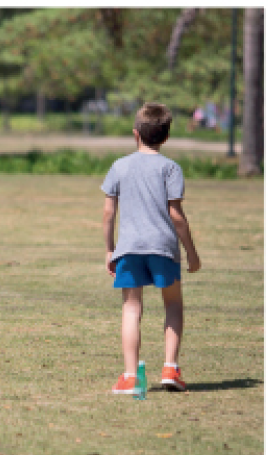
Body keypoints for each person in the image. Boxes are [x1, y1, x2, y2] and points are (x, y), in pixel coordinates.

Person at [101, 102, 201, 394]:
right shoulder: (170, 168)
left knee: (132, 308)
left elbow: (108, 213)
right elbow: (176, 216)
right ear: (166, 137)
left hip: (129, 248)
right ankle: (170, 367)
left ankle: (131, 377)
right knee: (172, 303)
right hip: (163, 248)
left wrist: (110, 249)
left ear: (135, 134)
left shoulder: (120, 166)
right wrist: (191, 252)